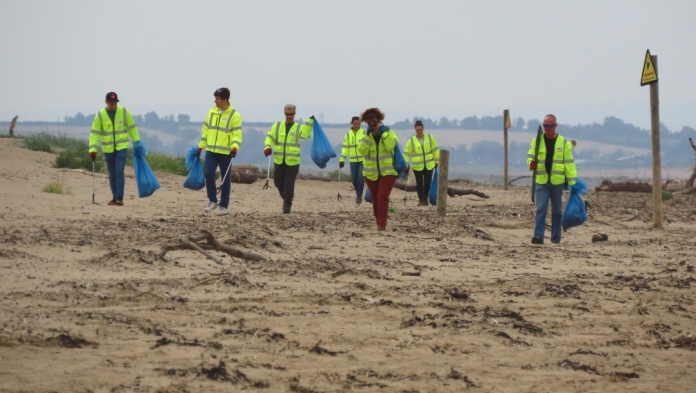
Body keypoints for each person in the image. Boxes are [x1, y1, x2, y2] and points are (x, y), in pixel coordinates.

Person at [527, 114, 577, 245]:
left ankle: (556, 238)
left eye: (549, 126)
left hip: (557, 182)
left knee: (556, 211)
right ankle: (538, 237)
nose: (547, 128)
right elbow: (531, 155)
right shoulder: (537, 141)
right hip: (541, 180)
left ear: (555, 126)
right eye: (545, 126)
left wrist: (573, 182)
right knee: (541, 208)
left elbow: (569, 164)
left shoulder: (563, 142)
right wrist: (531, 163)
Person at [88, 92, 141, 206]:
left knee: (119, 171)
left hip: (122, 147)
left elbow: (132, 128)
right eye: (110, 103)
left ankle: (119, 197)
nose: (113, 105)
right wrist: (92, 149)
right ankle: (114, 196)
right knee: (112, 173)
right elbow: (95, 133)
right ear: (106, 102)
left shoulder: (124, 112)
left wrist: (137, 143)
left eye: (114, 103)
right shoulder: (100, 115)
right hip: (108, 149)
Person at [197, 88, 243, 216]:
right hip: (211, 151)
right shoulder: (211, 112)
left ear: (225, 100)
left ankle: (224, 206)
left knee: (225, 179)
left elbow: (237, 134)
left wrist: (235, 147)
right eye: (215, 98)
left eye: (217, 98)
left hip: (226, 153)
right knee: (209, 173)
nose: (215, 101)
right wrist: (201, 146)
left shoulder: (235, 115)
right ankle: (212, 201)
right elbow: (205, 131)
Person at [263, 104, 314, 214]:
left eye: (291, 114)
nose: (289, 116)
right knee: (278, 183)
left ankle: (287, 203)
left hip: (293, 161)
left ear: (294, 114)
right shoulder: (277, 126)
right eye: (287, 114)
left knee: (289, 183)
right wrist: (267, 147)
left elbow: (305, 135)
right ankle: (286, 197)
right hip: (279, 160)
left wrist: (310, 122)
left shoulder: (299, 127)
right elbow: (269, 137)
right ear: (284, 113)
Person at [357, 107, 399, 231]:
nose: (372, 125)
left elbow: (391, 145)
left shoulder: (388, 132)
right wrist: (368, 137)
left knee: (382, 196)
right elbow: (361, 151)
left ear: (379, 121)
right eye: (369, 122)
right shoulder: (366, 137)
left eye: (374, 122)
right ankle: (378, 220)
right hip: (371, 174)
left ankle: (382, 224)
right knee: (375, 198)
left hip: (388, 172)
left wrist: (383, 134)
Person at [403, 119, 440, 206]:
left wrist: (436, 161)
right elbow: (407, 153)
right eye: (417, 130)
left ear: (423, 129)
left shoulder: (430, 138)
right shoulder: (411, 141)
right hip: (417, 166)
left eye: (420, 129)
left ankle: (426, 197)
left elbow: (435, 150)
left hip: (429, 165)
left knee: (427, 183)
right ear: (415, 130)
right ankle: (421, 200)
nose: (419, 131)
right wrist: (405, 164)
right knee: (419, 184)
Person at [340, 116, 366, 203]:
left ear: (360, 124)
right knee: (353, 179)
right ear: (352, 123)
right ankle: (358, 191)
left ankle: (359, 196)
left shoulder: (364, 133)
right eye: (354, 124)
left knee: (360, 177)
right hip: (353, 161)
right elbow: (345, 148)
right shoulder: (348, 134)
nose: (356, 125)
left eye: (358, 124)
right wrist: (342, 159)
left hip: (363, 160)